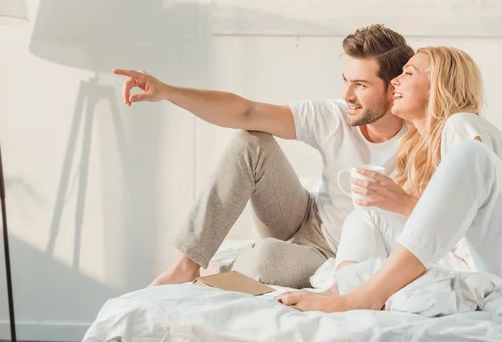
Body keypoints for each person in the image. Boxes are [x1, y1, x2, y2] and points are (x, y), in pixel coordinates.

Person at [114, 25, 414, 288]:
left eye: (360, 85)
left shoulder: (424, 138)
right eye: (346, 80)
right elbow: (247, 111)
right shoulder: (335, 114)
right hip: (305, 216)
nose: (347, 94)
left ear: (394, 89)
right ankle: (187, 265)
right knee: (251, 141)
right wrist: (168, 92)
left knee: (265, 260)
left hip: (334, 253)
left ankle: (222, 273)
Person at [276, 46, 502, 310]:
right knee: (367, 216)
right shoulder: (422, 150)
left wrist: (406, 203)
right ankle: (341, 289)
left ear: (437, 84)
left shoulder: (461, 123)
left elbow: (471, 213)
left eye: (408, 73)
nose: (395, 80)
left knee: (471, 153)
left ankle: (366, 296)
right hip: (469, 260)